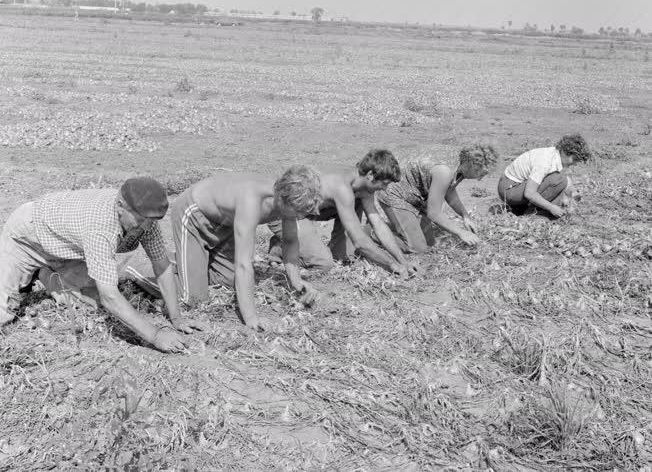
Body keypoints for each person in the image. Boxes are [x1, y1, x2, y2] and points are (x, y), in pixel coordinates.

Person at [0, 177, 202, 352]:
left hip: (68, 248)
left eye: (153, 220)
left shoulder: (145, 219)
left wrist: (176, 317)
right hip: (28, 238)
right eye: (142, 220)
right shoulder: (100, 227)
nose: (148, 227)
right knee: (3, 314)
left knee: (91, 299)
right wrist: (155, 336)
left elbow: (161, 264)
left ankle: (46, 274)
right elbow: (110, 296)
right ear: (120, 206)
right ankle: (36, 271)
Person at [172, 165, 322, 331]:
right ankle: (161, 268)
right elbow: (244, 264)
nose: (299, 217)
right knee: (194, 299)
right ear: (281, 198)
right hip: (195, 215)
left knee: (229, 281)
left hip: (226, 224)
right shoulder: (252, 200)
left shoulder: (287, 202)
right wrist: (251, 318)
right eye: (296, 213)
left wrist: (296, 280)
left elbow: (290, 241)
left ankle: (191, 263)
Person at [268, 149, 417, 277]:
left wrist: (402, 261)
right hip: (286, 212)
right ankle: (282, 247)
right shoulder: (342, 186)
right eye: (384, 183)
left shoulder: (363, 188)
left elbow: (378, 224)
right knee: (323, 264)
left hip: (312, 210)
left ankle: (320, 247)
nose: (384, 189)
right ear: (370, 175)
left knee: (344, 257)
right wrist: (391, 264)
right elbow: (359, 241)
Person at [376, 145, 498, 252]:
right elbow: (433, 213)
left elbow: (449, 192)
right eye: (481, 173)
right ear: (473, 164)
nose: (480, 178)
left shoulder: (460, 167)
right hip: (394, 194)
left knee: (430, 241)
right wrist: (461, 232)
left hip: (413, 198)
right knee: (417, 247)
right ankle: (374, 230)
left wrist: (465, 216)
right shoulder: (445, 172)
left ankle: (395, 226)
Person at [497, 134, 590, 218]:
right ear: (567, 153)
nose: (575, 163)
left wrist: (572, 191)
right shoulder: (545, 161)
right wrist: (551, 207)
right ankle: (531, 215)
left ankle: (528, 209)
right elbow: (529, 193)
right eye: (575, 160)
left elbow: (566, 179)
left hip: (516, 187)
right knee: (559, 180)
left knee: (561, 179)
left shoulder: (555, 155)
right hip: (509, 190)